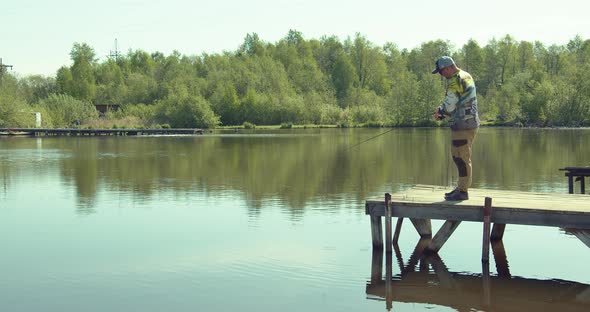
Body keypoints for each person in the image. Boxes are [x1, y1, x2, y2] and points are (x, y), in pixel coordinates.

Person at [432, 56, 480, 201]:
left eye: (441, 72)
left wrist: (440, 112)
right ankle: (461, 188)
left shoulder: (455, 81)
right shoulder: (466, 75)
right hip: (470, 123)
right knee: (460, 156)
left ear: (447, 68)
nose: (441, 75)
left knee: (461, 157)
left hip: (463, 125)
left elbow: (449, 105)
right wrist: (443, 112)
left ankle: (463, 191)